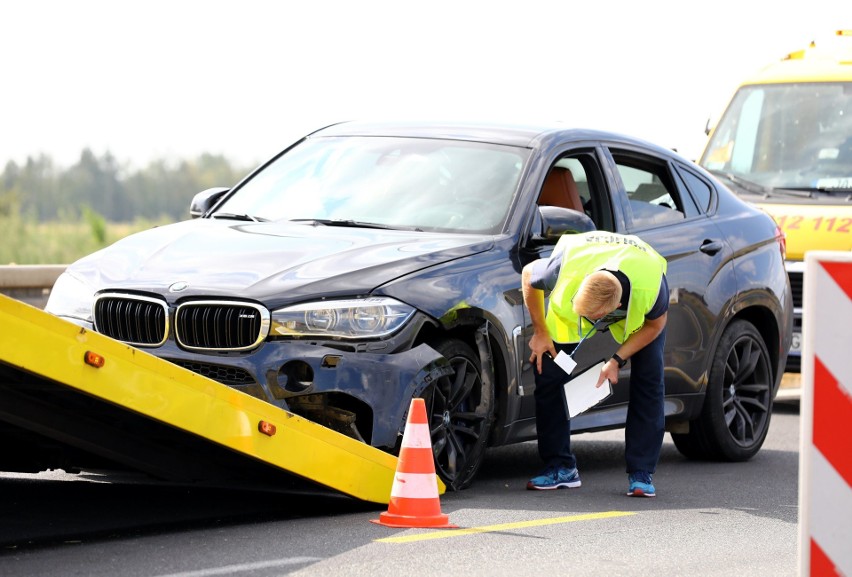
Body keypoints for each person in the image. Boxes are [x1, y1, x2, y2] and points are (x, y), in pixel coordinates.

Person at [521, 231, 669, 497]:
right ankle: (560, 467)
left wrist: (617, 359)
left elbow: (656, 324)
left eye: (590, 317)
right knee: (546, 369)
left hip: (640, 311)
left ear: (612, 310)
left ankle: (641, 473)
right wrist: (540, 332)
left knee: (649, 379)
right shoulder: (565, 268)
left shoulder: (651, 285)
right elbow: (528, 275)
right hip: (584, 269)